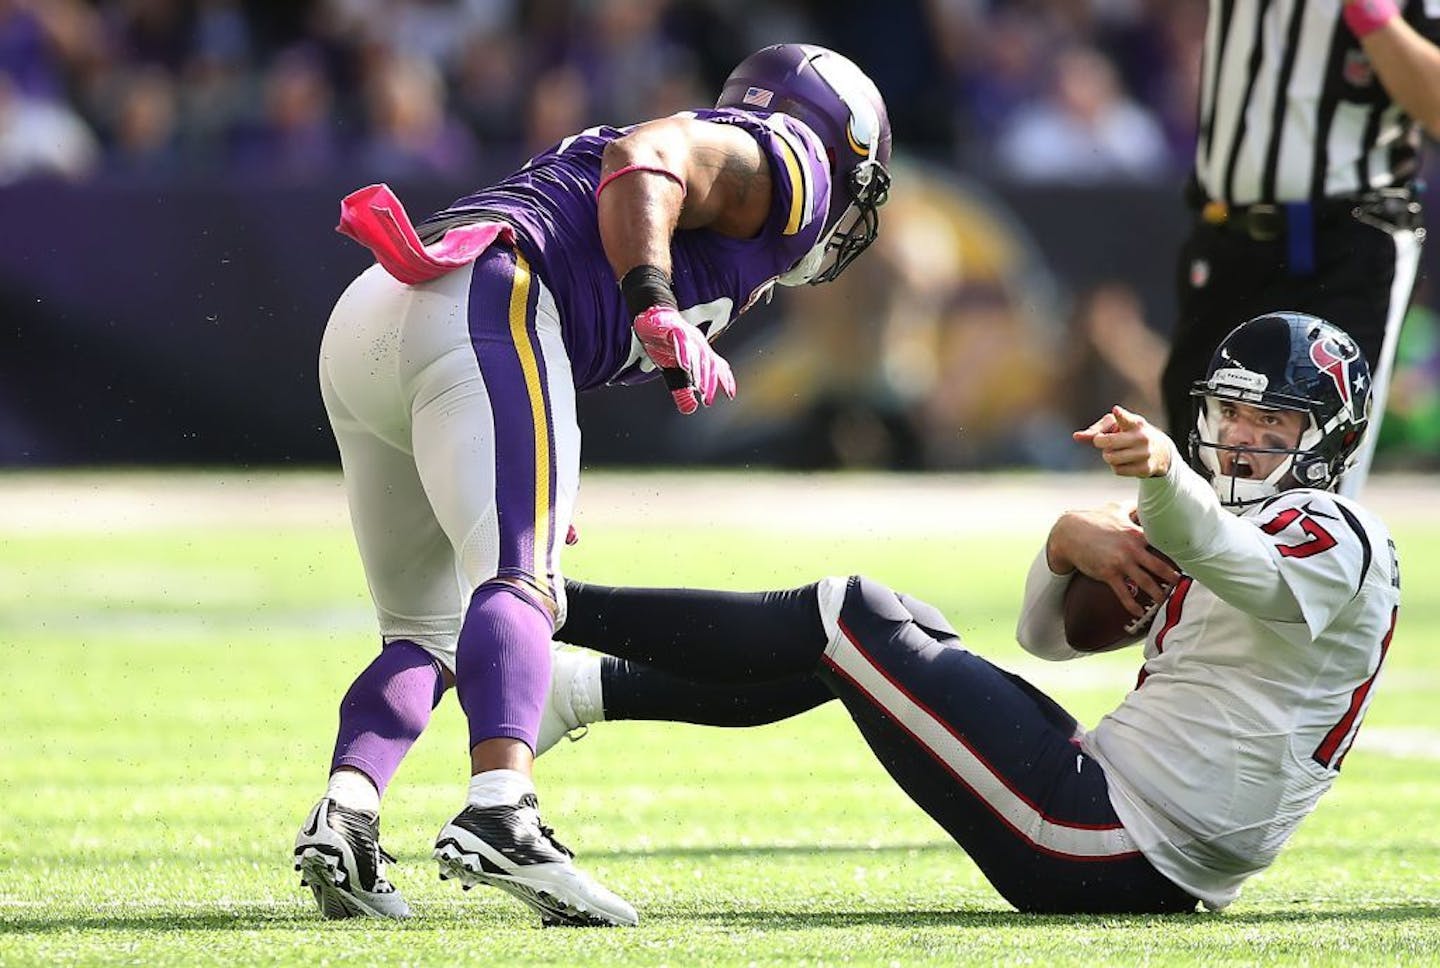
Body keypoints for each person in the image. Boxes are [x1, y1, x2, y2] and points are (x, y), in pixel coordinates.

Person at [292, 43, 893, 926]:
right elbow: (642, 158)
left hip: (384, 309)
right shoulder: (788, 160)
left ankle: (346, 813)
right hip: (486, 297)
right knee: (518, 581)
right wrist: (653, 299)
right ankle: (502, 809)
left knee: (427, 629)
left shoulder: (741, 179)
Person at [541, 312, 1400, 913]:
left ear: (1329, 436)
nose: (1244, 438)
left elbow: (1244, 568)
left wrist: (1165, 481)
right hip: (1117, 815)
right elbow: (1046, 640)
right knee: (874, 636)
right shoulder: (1220, 519)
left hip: (1107, 835)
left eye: (1275, 423)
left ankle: (543, 602)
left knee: (850, 614)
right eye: (1233, 413)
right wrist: (1065, 546)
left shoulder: (1336, 533)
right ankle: (574, 690)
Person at [1160, 0, 1440, 495]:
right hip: (1224, 234)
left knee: (1312, 478)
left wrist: (1371, 14)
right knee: (1194, 474)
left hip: (1347, 241)